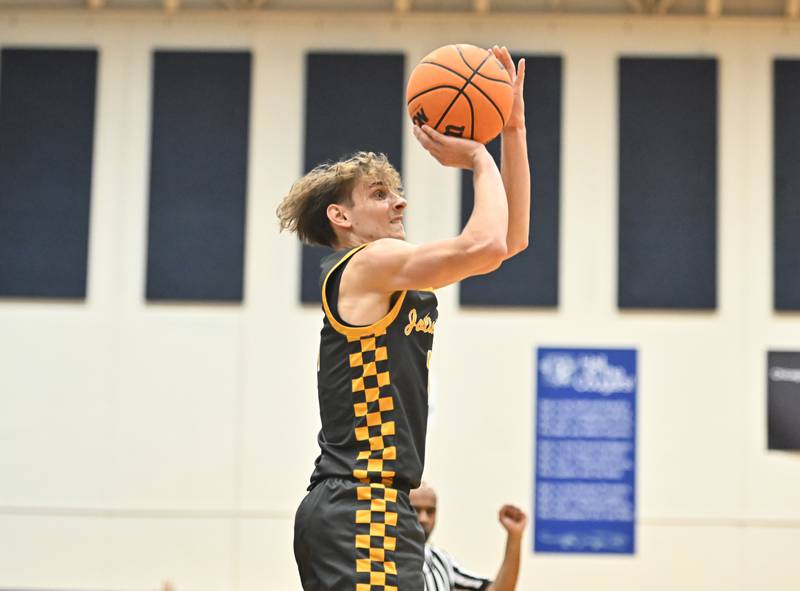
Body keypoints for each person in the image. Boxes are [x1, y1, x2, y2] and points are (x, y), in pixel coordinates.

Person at [277, 46, 529, 591]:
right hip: (357, 504)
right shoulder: (367, 264)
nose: (399, 204)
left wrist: (512, 130)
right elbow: (485, 243)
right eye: (379, 194)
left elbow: (510, 240)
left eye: (398, 193)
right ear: (341, 216)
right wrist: (479, 160)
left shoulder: (391, 273)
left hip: (379, 509)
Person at [410, 483, 527, 591]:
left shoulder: (440, 560)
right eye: (416, 510)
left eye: (430, 511)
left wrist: (514, 536)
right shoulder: (392, 556)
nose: (423, 519)